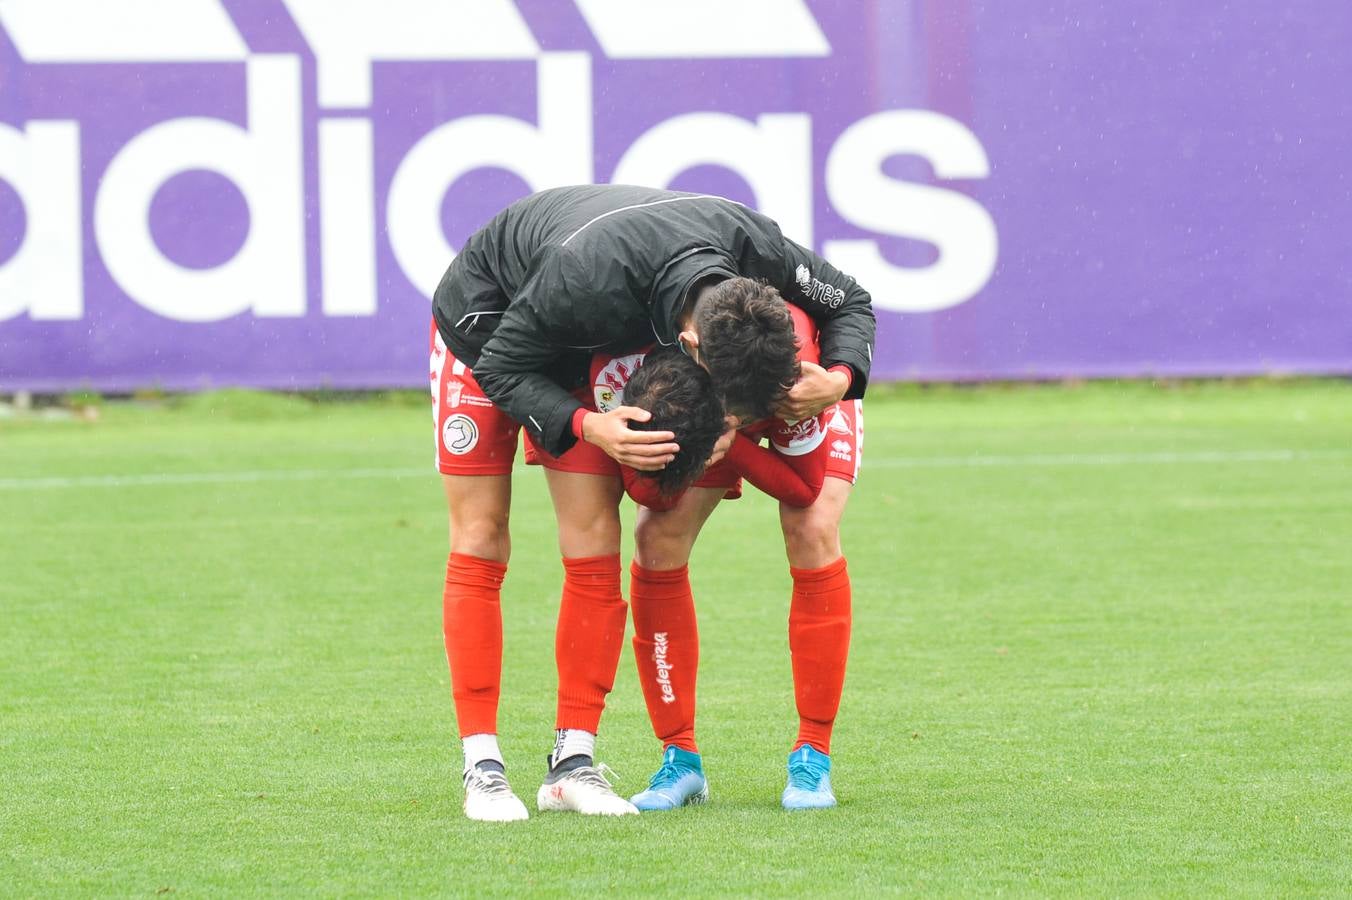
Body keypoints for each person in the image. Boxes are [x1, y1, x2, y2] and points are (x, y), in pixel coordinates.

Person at [428, 184, 875, 821]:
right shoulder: (583, 279)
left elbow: (849, 299)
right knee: (482, 530)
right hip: (489, 330)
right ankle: (482, 767)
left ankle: (570, 764)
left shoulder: (754, 245)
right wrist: (587, 425)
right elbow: (502, 364)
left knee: (593, 538)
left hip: (583, 334)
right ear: (692, 346)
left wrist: (836, 379)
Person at [622, 305, 862, 812]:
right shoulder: (673, 356)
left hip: (797, 399)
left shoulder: (795, 375)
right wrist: (705, 439)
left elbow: (802, 488)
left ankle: (813, 754)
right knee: (657, 540)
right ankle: (679, 757)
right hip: (714, 402)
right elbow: (652, 496)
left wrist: (735, 446)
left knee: (812, 528)